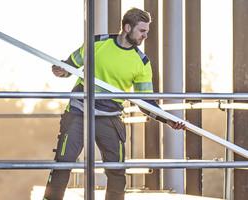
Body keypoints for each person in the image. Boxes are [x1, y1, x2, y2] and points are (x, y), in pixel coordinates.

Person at [43, 7, 186, 200]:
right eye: (142, 31)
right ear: (127, 27)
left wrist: (166, 119)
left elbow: (145, 102)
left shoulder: (142, 62)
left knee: (117, 170)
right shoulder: (96, 43)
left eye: (146, 32)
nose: (145, 36)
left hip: (109, 118)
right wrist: (61, 70)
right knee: (63, 163)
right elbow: (70, 66)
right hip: (79, 113)